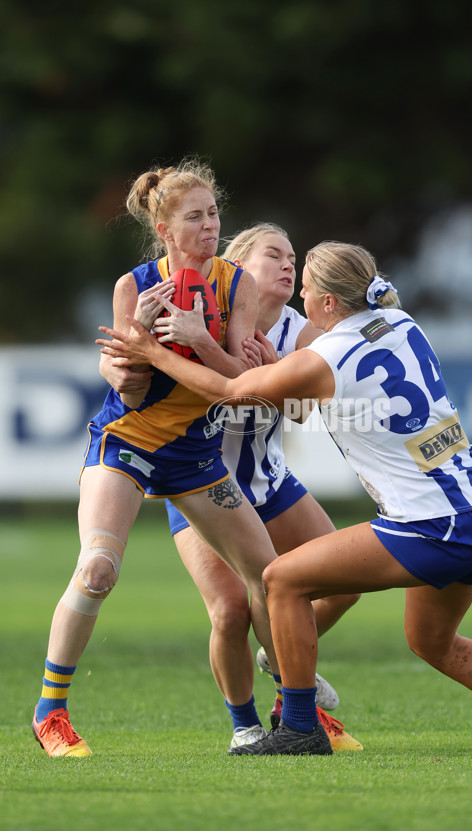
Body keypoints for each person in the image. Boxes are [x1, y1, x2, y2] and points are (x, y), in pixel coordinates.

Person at [98, 240, 472, 757]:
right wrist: (267, 369)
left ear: (330, 303)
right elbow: (288, 397)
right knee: (431, 640)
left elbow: (231, 393)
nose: (301, 292)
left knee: (280, 580)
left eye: (308, 286)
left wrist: (154, 352)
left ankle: (300, 728)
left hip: (434, 523)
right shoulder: (401, 322)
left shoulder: (327, 355)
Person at [32, 159, 285, 758]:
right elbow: (132, 393)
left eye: (214, 213)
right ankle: (51, 713)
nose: (209, 226)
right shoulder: (135, 286)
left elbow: (243, 382)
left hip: (196, 452)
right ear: (165, 232)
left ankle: (290, 713)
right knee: (98, 569)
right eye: (194, 217)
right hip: (127, 442)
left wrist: (196, 336)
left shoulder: (235, 284)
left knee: (271, 580)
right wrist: (135, 349)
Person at [100, 222, 361, 751]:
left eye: (294, 257)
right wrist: (115, 365)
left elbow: (305, 411)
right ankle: (246, 725)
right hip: (198, 483)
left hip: (268, 481)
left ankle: (284, 674)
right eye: (275, 255)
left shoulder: (301, 333)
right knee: (230, 609)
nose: (290, 265)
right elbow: (132, 362)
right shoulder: (203, 314)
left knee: (345, 583)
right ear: (239, 264)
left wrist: (280, 374)